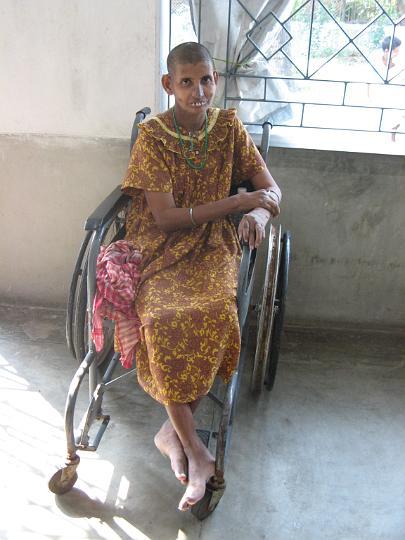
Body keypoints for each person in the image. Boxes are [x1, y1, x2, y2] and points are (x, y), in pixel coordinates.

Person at [121, 41, 282, 511]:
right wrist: (237, 202)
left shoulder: (229, 128)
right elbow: (167, 218)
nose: (199, 91)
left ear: (216, 80)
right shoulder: (154, 137)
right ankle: (196, 451)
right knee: (162, 317)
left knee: (215, 310)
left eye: (206, 80)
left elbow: (270, 190)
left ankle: (171, 434)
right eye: (187, 82)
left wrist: (259, 215)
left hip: (213, 245)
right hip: (160, 245)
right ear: (169, 85)